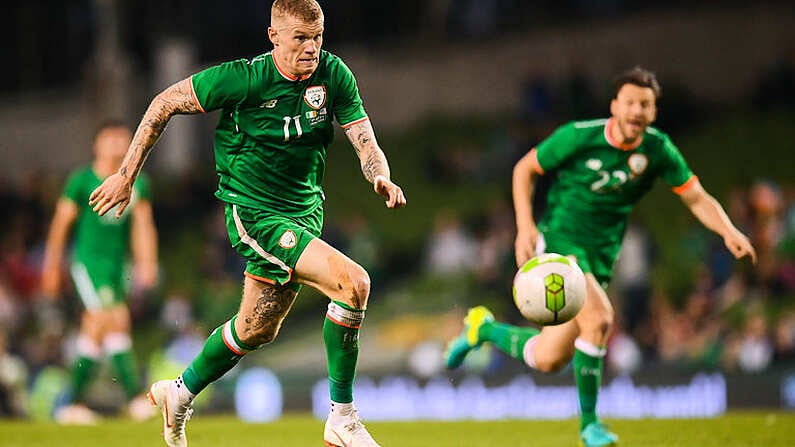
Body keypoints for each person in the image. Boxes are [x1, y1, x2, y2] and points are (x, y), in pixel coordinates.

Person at [88, 1, 406, 446]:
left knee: (256, 328)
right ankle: (342, 417)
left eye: (317, 37)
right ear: (274, 35)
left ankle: (177, 394)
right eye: (300, 38)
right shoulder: (244, 79)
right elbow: (164, 103)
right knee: (354, 283)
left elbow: (362, 135)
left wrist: (380, 173)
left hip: (304, 212)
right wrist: (126, 174)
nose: (311, 47)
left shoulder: (333, 75)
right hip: (254, 214)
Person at [445, 67, 756, 447]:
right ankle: (590, 426)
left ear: (653, 112)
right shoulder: (579, 136)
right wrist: (525, 227)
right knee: (600, 318)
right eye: (629, 102)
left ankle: (483, 329)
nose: (636, 111)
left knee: (548, 358)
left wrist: (728, 231)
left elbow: (694, 195)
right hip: (560, 243)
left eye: (645, 104)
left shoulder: (657, 150)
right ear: (614, 106)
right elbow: (524, 168)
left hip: (601, 256)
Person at [41, 120, 159, 423]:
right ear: (97, 145)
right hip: (89, 264)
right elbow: (60, 224)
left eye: (123, 139)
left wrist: (147, 262)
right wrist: (51, 266)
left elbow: (143, 226)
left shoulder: (138, 182)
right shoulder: (81, 181)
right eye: (111, 139)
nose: (118, 145)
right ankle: (134, 397)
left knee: (95, 332)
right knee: (115, 319)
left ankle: (73, 404)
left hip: (119, 267)